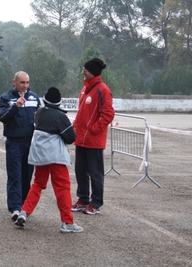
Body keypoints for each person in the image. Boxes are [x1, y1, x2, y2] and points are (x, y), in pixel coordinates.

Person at [14, 87, 83, 233]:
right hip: (56, 156)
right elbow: (71, 138)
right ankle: (67, 222)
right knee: (62, 188)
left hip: (39, 155)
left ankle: (24, 212)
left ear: (45, 100)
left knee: (37, 184)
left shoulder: (39, 113)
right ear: (59, 102)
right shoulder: (60, 116)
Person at [71, 58, 115, 215]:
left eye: (86, 70)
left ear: (93, 72)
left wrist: (94, 129)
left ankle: (96, 202)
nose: (83, 72)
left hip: (93, 140)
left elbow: (108, 114)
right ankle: (83, 199)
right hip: (80, 139)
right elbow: (81, 114)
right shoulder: (84, 90)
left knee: (95, 173)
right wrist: (74, 128)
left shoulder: (102, 90)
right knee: (80, 171)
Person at [0, 71, 41, 221]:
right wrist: (15, 107)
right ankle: (15, 208)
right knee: (15, 175)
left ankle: (24, 206)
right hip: (14, 142)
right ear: (14, 82)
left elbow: (40, 118)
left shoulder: (34, 98)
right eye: (22, 82)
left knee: (26, 176)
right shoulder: (6, 98)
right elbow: (3, 118)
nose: (25, 86)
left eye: (27, 82)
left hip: (30, 143)